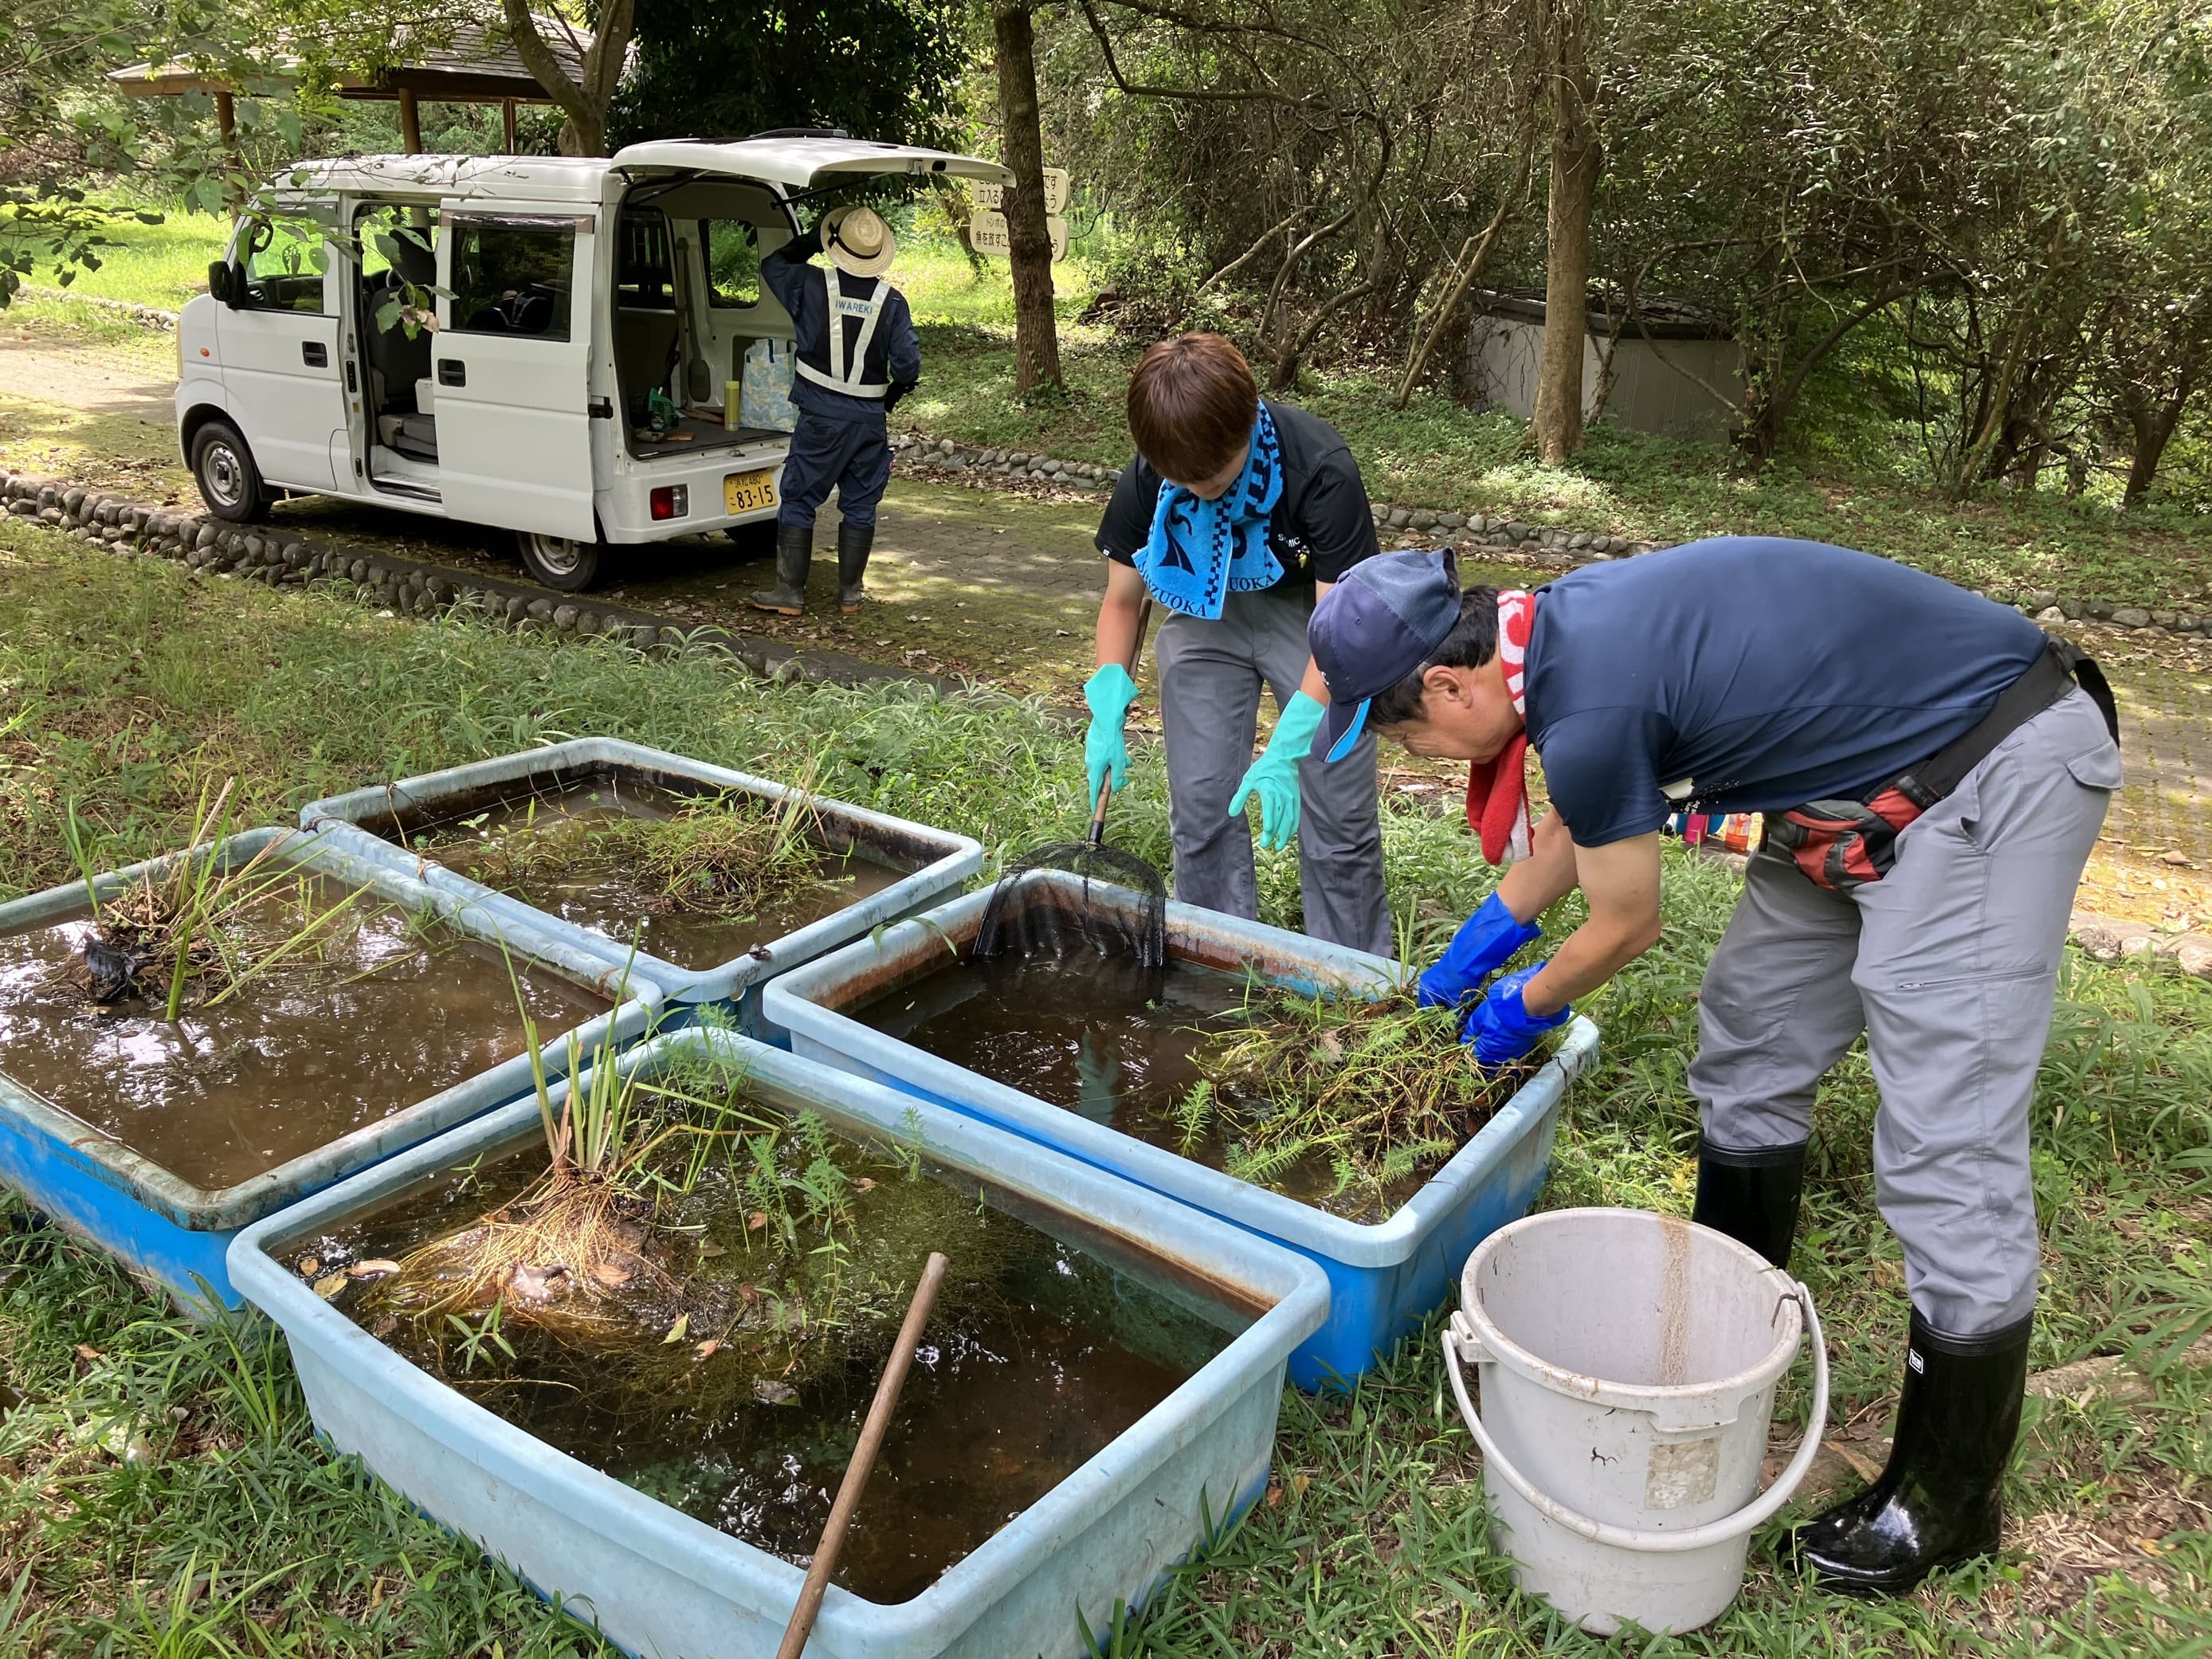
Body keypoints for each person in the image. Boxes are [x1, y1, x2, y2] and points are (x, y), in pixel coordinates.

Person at [1306, 540, 2122, 1596]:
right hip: (1847, 790)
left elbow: (1625, 922)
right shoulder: (1548, 644)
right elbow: (1577, 829)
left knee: (1944, 1141)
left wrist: (1515, 1010)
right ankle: (1733, 1342)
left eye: (1403, 733)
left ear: (1447, 684)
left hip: (1990, 766)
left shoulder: (1586, 697)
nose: (1412, 755)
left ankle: (1947, 1500)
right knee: (1749, 1043)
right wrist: (1469, 956)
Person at [1087, 333, 1390, 955]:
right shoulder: (1153, 473)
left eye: (1212, 474)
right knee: (1202, 802)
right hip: (1206, 607)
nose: (1198, 488)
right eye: (1180, 478)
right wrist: (1108, 700)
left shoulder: (1320, 469)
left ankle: (1355, 975)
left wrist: (1293, 738)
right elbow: (1123, 601)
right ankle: (1214, 957)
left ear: (1248, 424)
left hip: (1316, 618)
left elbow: (1341, 628)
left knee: (1336, 815)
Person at [751, 205, 920, 617]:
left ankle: (790, 593)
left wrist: (814, 238)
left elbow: (773, 265)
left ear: (836, 247)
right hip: (868, 421)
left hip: (820, 418)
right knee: (861, 503)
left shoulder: (809, 284)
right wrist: (892, 393)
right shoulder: (892, 302)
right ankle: (850, 595)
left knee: (799, 497)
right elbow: (908, 367)